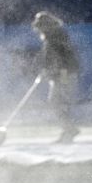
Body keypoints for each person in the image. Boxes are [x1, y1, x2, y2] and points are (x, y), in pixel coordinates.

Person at [32, 11, 80, 144]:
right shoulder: (53, 37)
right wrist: (48, 70)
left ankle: (69, 129)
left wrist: (50, 70)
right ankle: (68, 129)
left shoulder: (56, 37)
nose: (38, 29)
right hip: (62, 73)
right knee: (57, 101)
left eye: (40, 26)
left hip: (65, 73)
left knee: (59, 100)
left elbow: (61, 59)